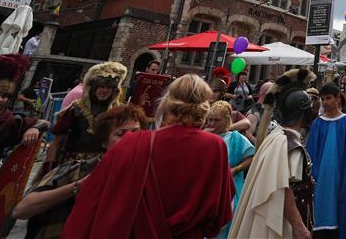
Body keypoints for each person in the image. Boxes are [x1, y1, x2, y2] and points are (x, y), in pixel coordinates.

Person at [61, 74, 234, 239]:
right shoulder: (215, 146)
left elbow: (92, 200)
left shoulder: (133, 142)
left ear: (166, 103)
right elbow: (221, 215)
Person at [13, 104, 149, 239]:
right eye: (121, 134)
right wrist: (78, 186)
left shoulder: (146, 177)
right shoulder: (77, 169)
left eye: (136, 133)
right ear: (104, 142)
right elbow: (21, 210)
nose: (130, 139)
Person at [230, 69, 316, 239]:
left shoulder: (275, 136)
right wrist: (300, 227)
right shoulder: (291, 146)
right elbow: (284, 189)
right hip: (282, 223)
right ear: (303, 112)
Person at [46, 62, 128, 172]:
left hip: (102, 165)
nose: (104, 90)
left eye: (109, 87)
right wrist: (49, 170)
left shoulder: (117, 112)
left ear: (115, 91)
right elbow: (56, 143)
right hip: (71, 165)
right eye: (101, 86)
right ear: (93, 88)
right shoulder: (75, 108)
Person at [0, 54, 48, 186]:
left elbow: (44, 123)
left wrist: (34, 128)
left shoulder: (6, 119)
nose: (0, 100)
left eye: (5, 96)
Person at [305, 84, 346, 239]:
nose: (325, 102)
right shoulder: (317, 123)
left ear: (337, 98)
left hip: (339, 176)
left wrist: (345, 181)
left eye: (328, 98)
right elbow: (310, 154)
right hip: (319, 178)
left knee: (337, 212)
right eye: (323, 99)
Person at [205, 101, 255, 239]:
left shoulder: (236, 138)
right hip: (208, 190)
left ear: (227, 120)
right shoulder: (204, 137)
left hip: (230, 189)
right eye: (210, 119)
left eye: (217, 120)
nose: (212, 123)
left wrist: (236, 169)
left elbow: (251, 157)